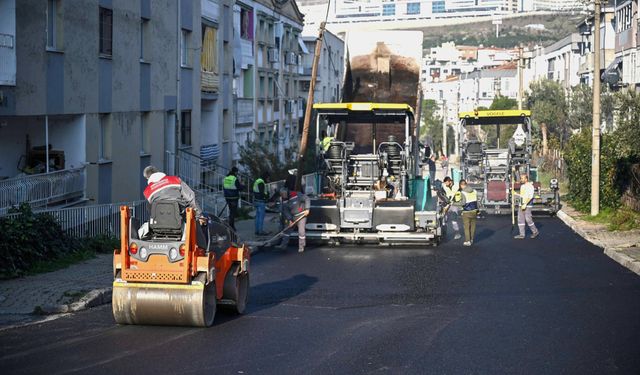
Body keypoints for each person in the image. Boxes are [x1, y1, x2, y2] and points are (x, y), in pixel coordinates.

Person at [278, 188, 310, 253]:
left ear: (287, 193)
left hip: (301, 215)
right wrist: (290, 219)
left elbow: (307, 199)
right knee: (287, 231)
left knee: (301, 231)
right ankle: (283, 245)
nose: (284, 197)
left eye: (284, 195)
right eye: (282, 196)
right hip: (292, 217)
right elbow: (286, 211)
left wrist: (307, 209)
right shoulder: (283, 200)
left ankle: (301, 247)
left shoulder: (297, 194)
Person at [453, 179, 479, 246]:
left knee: (467, 227)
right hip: (474, 211)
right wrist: (478, 210)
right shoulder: (474, 191)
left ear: (461, 185)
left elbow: (463, 203)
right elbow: (477, 201)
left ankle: (468, 241)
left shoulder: (463, 192)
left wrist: (453, 203)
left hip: (467, 212)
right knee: (473, 226)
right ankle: (472, 239)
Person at [514, 174, 539, 239]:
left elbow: (530, 197)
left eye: (522, 178)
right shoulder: (522, 186)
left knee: (528, 219)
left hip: (528, 205)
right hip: (521, 204)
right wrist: (516, 194)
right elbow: (523, 195)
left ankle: (535, 231)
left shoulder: (530, 186)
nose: (521, 179)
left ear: (526, 179)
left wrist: (525, 204)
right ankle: (522, 234)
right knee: (520, 219)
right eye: (521, 178)